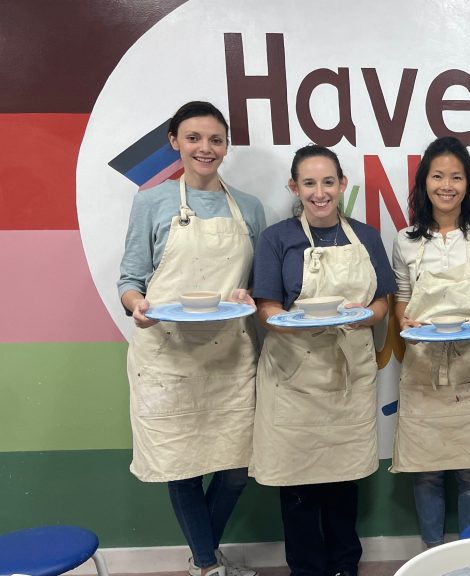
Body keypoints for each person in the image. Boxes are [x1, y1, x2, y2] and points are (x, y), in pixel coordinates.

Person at [118, 101, 265, 576]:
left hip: (230, 353)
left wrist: (249, 294)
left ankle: (203, 558)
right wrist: (137, 306)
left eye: (215, 140)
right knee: (181, 467)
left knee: (237, 469)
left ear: (226, 146)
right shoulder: (152, 202)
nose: (206, 148)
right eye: (194, 138)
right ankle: (207, 565)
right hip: (168, 353)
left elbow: (261, 284)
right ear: (174, 142)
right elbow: (130, 279)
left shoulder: (249, 207)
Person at [250, 144, 395, 576]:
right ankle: (307, 569)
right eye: (309, 183)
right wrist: (298, 323)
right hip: (294, 376)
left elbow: (382, 303)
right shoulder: (276, 239)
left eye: (328, 182)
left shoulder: (366, 236)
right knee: (298, 486)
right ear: (294, 187)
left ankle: (345, 565)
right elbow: (266, 309)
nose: (320, 193)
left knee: (342, 479)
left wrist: (364, 316)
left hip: (347, 374)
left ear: (342, 184)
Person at [390, 136, 470, 548]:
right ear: (424, 182)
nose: (447, 185)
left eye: (456, 177)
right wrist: (404, 320)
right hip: (422, 363)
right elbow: (402, 296)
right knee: (427, 471)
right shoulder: (406, 239)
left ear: (467, 183)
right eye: (438, 176)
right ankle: (433, 555)